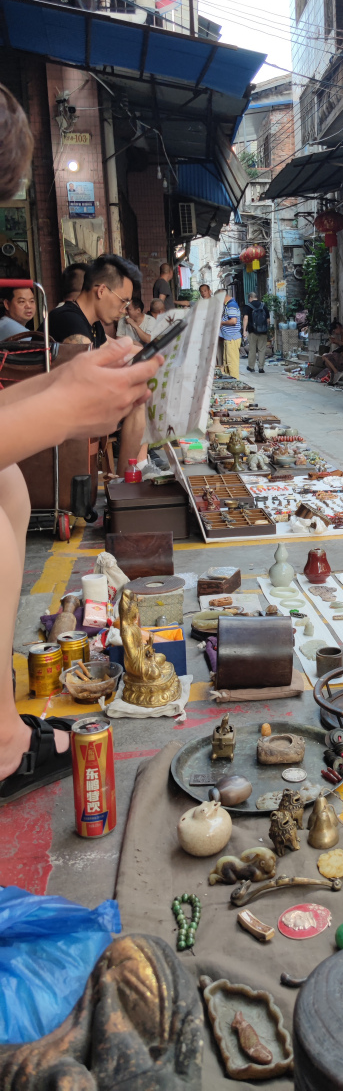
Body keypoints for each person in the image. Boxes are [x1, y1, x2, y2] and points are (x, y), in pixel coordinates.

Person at [0, 80, 163, 802]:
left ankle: (3, 723)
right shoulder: (67, 317)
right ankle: (2, 745)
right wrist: (64, 406)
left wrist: (63, 401)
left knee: (4, 477)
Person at [48, 255, 147, 473]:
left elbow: (115, 352)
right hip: (58, 410)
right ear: (102, 291)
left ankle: (137, 469)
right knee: (139, 399)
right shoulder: (67, 318)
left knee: (147, 390)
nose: (125, 309)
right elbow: (90, 371)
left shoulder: (92, 324)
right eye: (124, 301)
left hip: (75, 402)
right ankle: (128, 479)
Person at [243, 291, 269, 373]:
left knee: (252, 349)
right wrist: (265, 328)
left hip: (252, 331)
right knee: (262, 349)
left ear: (250, 298)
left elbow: (245, 318)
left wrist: (244, 330)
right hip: (263, 332)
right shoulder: (264, 306)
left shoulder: (248, 306)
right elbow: (268, 320)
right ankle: (261, 368)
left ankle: (251, 367)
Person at [220, 287, 242, 378]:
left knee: (232, 364)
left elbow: (233, 321)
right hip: (228, 338)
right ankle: (230, 383)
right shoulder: (228, 304)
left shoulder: (231, 305)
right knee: (227, 363)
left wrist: (221, 323)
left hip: (232, 338)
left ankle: (235, 384)